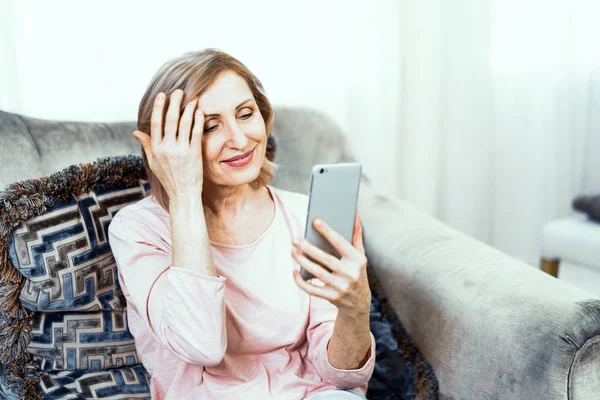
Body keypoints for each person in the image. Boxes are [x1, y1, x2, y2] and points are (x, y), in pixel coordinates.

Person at [108, 49, 376, 400]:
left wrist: (355, 307)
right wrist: (185, 194)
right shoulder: (138, 230)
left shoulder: (305, 215)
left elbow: (337, 377)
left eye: (245, 114)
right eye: (209, 126)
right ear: (166, 146)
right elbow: (200, 345)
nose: (239, 139)